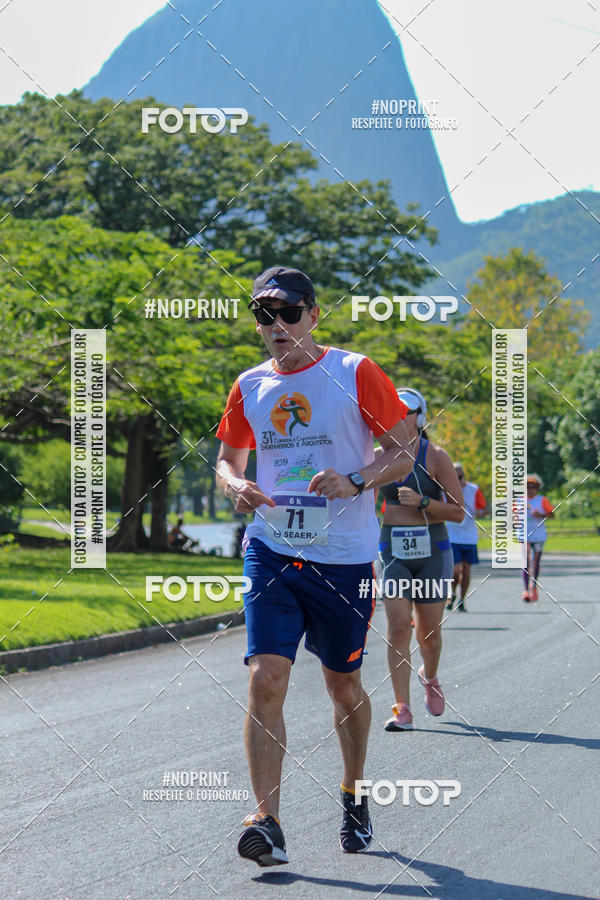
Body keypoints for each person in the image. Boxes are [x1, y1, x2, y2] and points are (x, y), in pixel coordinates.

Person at [215, 265, 414, 866]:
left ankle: (354, 792)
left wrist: (356, 479)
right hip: (272, 549)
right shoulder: (249, 384)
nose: (275, 325)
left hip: (344, 560)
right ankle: (266, 820)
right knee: (265, 676)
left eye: (287, 312)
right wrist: (236, 486)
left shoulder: (354, 372)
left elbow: (402, 453)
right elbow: (226, 459)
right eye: (262, 315)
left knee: (341, 684)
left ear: (314, 314)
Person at [377, 388, 464, 731]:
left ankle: (430, 676)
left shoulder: (436, 456)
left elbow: (458, 513)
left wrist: (423, 503)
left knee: (428, 634)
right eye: (393, 411)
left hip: (432, 551)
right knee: (398, 627)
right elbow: (359, 500)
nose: (401, 417)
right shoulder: (376, 455)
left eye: (408, 411)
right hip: (392, 551)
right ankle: (402, 708)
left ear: (421, 416)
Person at [446, 463, 489, 612]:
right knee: (456, 570)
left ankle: (461, 600)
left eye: (460, 477)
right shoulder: (444, 489)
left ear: (464, 476)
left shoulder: (473, 490)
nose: (458, 480)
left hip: (469, 537)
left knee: (467, 570)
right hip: (451, 535)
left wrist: (480, 512)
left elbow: (484, 509)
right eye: (455, 477)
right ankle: (451, 593)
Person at [522, 473, 554, 602]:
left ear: (537, 488)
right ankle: (525, 590)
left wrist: (541, 514)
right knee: (525, 563)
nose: (530, 489)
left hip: (539, 535)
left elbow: (552, 515)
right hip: (523, 535)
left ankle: (533, 586)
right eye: (527, 486)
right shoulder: (519, 501)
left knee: (535, 562)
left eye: (533, 487)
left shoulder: (542, 500)